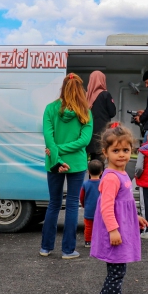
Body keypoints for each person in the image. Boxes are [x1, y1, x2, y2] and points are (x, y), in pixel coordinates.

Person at [91, 125, 148, 294]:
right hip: (115, 232)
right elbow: (106, 208)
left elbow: (125, 203)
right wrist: (113, 230)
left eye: (125, 150)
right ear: (105, 152)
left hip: (121, 228)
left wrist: (136, 217)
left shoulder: (123, 174)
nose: (122, 155)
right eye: (116, 151)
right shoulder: (111, 178)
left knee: (116, 271)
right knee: (117, 273)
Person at [40, 73, 93, 259]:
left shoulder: (50, 109)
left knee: (54, 203)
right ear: (81, 90)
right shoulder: (85, 112)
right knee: (71, 204)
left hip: (54, 163)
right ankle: (68, 250)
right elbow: (83, 141)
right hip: (76, 164)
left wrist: (57, 156)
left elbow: (48, 139)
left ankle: (45, 248)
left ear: (63, 88)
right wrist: (65, 156)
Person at [85, 71, 117, 163]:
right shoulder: (105, 95)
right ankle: (99, 177)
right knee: (99, 161)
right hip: (101, 133)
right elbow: (112, 112)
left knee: (91, 161)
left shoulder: (86, 96)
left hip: (88, 132)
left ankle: (91, 177)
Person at [79, 159, 104, 248]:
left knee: (88, 227)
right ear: (101, 172)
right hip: (101, 210)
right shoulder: (103, 183)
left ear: (88, 172)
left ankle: (88, 241)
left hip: (89, 209)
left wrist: (83, 204)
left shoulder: (85, 184)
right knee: (101, 226)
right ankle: (100, 240)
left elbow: (81, 197)